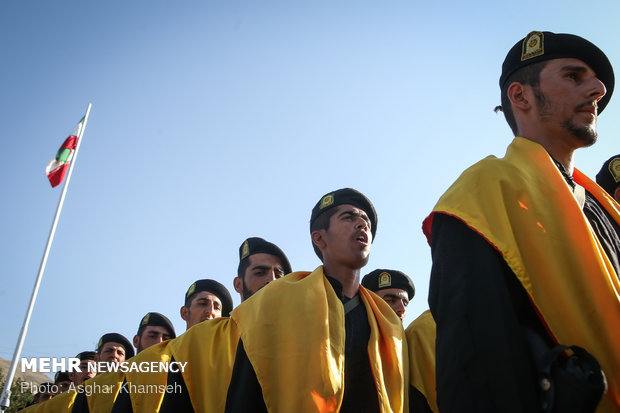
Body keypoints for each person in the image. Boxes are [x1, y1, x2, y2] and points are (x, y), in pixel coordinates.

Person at [426, 30, 620, 412]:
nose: (598, 89)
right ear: (521, 96)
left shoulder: (606, 208)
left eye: (595, 80)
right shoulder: (482, 194)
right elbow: (476, 364)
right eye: (573, 75)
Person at [224, 188, 407, 412]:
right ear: (319, 238)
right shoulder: (276, 302)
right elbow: (246, 396)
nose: (362, 224)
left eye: (365, 220)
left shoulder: (388, 322)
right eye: (348, 217)